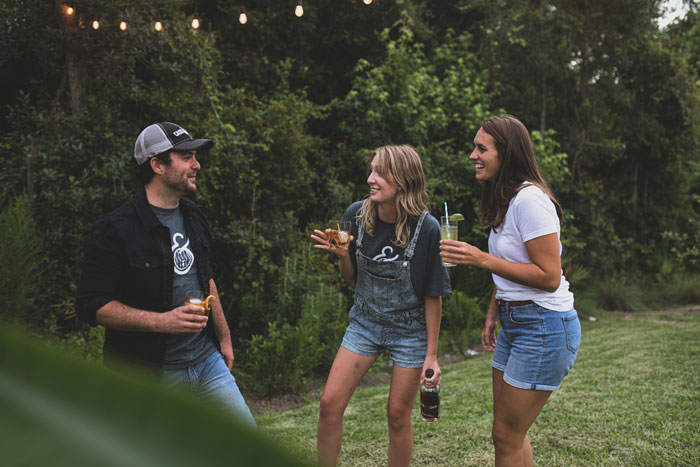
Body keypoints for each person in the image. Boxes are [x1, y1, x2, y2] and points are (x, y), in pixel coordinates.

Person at [76, 122, 256, 429]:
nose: (196, 165)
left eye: (195, 156)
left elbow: (206, 277)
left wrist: (223, 337)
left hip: (206, 360)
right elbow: (91, 305)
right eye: (186, 157)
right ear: (157, 165)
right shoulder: (116, 229)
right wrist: (162, 322)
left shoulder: (194, 214)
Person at [440, 115, 581, 466]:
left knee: (506, 436)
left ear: (507, 154)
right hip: (515, 322)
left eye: (481, 148)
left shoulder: (530, 201)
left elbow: (548, 276)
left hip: (544, 326)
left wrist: (481, 259)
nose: (473, 155)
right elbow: (514, 265)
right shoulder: (508, 201)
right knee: (511, 435)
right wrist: (494, 312)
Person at [310, 145, 451, 467]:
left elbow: (433, 296)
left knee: (397, 416)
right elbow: (351, 279)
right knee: (329, 404)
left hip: (410, 329)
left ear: (401, 181)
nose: (371, 179)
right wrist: (343, 257)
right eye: (371, 170)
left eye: (380, 173)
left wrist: (431, 354)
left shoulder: (427, 228)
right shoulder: (356, 215)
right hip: (365, 322)